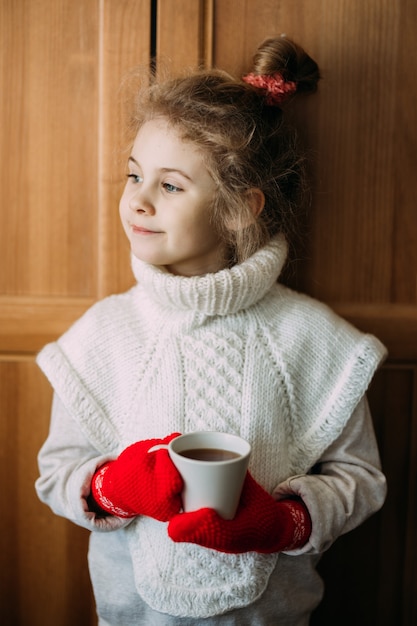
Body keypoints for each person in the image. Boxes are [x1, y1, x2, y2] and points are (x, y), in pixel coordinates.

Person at [35, 35, 387, 625]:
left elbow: (361, 479)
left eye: (170, 185)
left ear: (240, 207)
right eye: (133, 175)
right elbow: (57, 475)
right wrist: (116, 488)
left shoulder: (313, 340)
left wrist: (287, 521)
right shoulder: (103, 335)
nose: (138, 201)